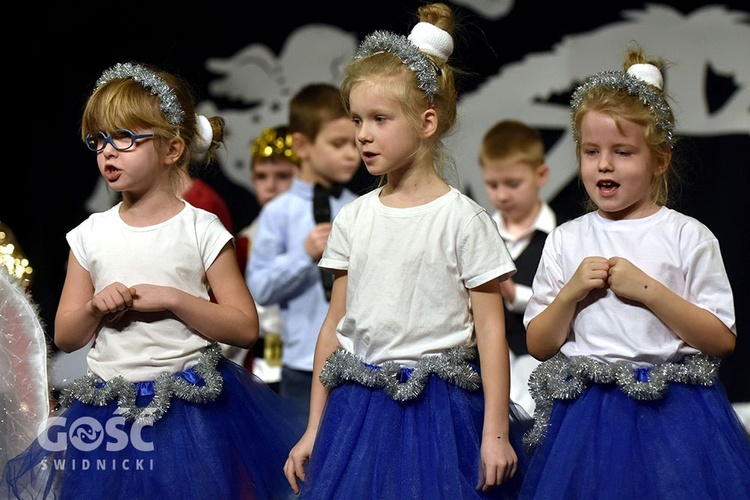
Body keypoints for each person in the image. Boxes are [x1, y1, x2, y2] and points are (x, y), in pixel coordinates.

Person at [3, 61, 304, 499]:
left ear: (172, 149)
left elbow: (244, 326)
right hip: (111, 412)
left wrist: (175, 299)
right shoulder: (89, 235)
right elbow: (67, 336)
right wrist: (93, 307)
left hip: (190, 412)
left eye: (124, 137)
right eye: (98, 139)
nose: (107, 151)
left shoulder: (201, 229)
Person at [283, 4, 531, 498]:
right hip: (360, 411)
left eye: (379, 118)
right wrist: (315, 427)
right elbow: (335, 327)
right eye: (356, 119)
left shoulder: (463, 219)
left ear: (427, 121)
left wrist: (496, 433)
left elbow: (490, 330)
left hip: (439, 415)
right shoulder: (354, 218)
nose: (363, 134)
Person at [519, 46, 750, 499]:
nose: (604, 164)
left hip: (676, 417)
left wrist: (648, 291)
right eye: (591, 151)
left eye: (622, 152)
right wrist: (569, 296)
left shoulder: (687, 236)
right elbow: (539, 344)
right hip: (587, 419)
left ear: (659, 160)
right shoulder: (567, 238)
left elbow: (722, 339)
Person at [247, 83, 361, 422]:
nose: (351, 154)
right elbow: (260, 288)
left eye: (354, 143)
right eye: (338, 144)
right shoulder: (278, 212)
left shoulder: (361, 209)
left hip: (358, 360)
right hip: (302, 364)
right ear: (302, 145)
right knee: (303, 461)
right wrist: (305, 254)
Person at [478, 120, 557, 416]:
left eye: (512, 184)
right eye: (492, 185)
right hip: (488, 371)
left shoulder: (561, 236)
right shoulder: (479, 232)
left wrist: (514, 295)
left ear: (541, 175)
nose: (501, 195)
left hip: (541, 371)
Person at [227, 125, 300, 387]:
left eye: (283, 175)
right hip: (259, 370)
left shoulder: (331, 234)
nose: (270, 186)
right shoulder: (243, 243)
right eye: (261, 176)